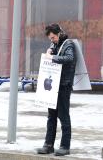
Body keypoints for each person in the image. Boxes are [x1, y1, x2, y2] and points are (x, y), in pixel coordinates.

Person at [37, 23, 76, 156]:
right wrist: (49, 51)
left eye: (53, 37)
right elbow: (53, 54)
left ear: (59, 33)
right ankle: (48, 145)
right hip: (54, 86)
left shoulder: (68, 44)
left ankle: (65, 146)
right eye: (50, 39)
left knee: (63, 116)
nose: (52, 40)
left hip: (64, 86)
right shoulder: (55, 44)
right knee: (51, 116)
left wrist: (52, 57)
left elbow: (69, 58)